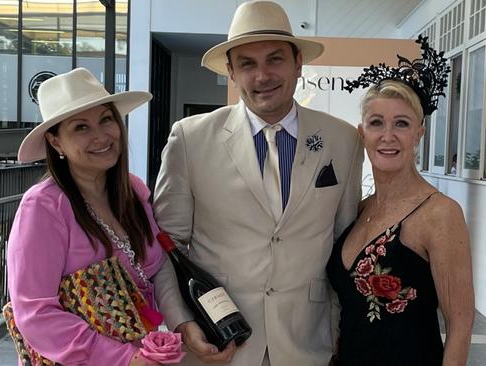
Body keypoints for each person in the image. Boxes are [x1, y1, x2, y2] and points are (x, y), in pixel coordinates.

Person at [152, 1, 363, 365]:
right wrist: (183, 322)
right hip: (219, 345)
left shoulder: (343, 140)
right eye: (248, 64)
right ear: (232, 72)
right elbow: (165, 247)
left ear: (299, 63)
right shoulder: (190, 139)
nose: (263, 75)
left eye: (275, 59)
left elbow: (344, 246)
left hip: (307, 345)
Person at [327, 36, 475, 365]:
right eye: (377, 123)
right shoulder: (359, 208)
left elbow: (461, 324)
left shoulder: (440, 214)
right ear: (362, 132)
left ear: (419, 133)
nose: (388, 135)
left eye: (402, 124)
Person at [7, 68, 166, 366]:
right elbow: (35, 313)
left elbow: (157, 272)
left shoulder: (133, 191)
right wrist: (124, 359)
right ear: (56, 143)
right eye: (81, 127)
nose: (101, 136)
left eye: (106, 119)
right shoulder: (43, 207)